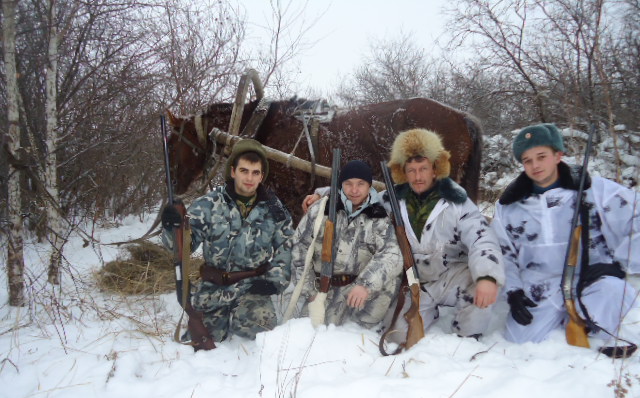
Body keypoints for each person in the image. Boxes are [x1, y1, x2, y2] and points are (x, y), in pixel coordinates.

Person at [304, 129, 505, 340]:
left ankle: (468, 341)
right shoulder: (391, 199)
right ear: (403, 172)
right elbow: (358, 196)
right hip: (413, 281)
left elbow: (482, 239)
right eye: (411, 170)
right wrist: (322, 194)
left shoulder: (457, 201)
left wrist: (487, 276)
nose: (418, 176)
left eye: (423, 169)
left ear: (435, 169)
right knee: (397, 337)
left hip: (451, 274)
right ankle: (427, 313)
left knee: (478, 286)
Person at [492, 123, 639, 349]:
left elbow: (635, 221)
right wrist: (513, 291)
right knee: (519, 343)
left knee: (614, 293)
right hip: (539, 286)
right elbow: (503, 254)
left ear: (558, 155)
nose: (535, 165)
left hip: (590, 279)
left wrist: (619, 266)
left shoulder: (595, 191)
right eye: (527, 160)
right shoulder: (509, 207)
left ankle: (601, 337)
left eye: (542, 156)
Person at [161, 139, 294, 346]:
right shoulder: (208, 204)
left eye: (255, 172)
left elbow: (286, 248)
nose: (249, 178)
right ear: (233, 172)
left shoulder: (275, 209)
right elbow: (183, 249)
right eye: (244, 170)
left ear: (262, 176)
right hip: (214, 286)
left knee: (262, 332)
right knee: (204, 339)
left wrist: (274, 282)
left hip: (252, 286)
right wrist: (172, 228)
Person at [289, 159, 402, 328]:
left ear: (369, 186)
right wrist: (311, 292)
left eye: (360, 184)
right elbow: (298, 248)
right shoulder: (321, 210)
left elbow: (392, 256)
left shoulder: (379, 218)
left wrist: (365, 286)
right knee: (307, 336)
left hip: (355, 293)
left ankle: (361, 329)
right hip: (320, 291)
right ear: (341, 184)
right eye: (348, 183)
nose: (354, 190)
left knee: (353, 339)